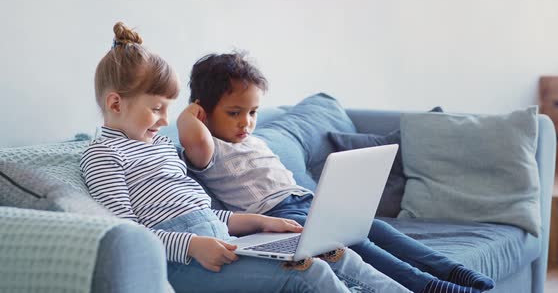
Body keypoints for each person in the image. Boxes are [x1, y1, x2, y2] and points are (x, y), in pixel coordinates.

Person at [80, 22, 410, 293]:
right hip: (177, 262)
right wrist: (191, 245)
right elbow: (125, 233)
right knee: (307, 274)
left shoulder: (160, 147)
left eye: (168, 109)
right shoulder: (104, 154)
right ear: (115, 104)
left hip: (217, 240)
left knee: (337, 255)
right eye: (156, 109)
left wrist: (259, 222)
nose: (165, 120)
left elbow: (203, 213)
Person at [178, 52, 496, 293]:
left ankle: (453, 270)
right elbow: (193, 136)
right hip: (277, 216)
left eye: (252, 112)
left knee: (377, 229)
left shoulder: (252, 139)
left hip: (305, 200)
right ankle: (427, 285)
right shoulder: (208, 149)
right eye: (234, 113)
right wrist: (190, 112)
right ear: (203, 110)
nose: (245, 122)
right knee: (357, 243)